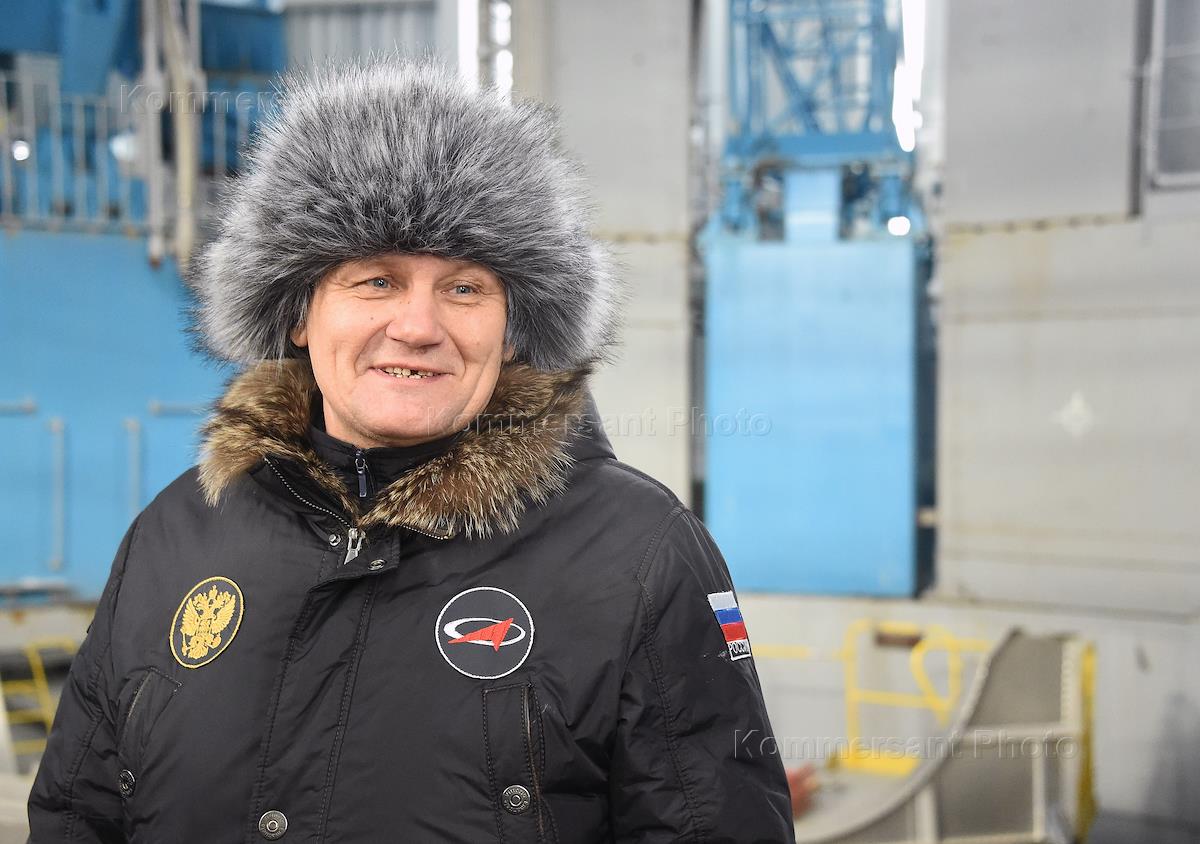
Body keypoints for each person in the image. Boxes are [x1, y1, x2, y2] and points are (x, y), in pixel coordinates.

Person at [27, 54, 795, 842]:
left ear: (513, 329)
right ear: (298, 315)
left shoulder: (638, 556)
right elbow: (76, 816)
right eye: (376, 281)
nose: (419, 327)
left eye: (464, 288)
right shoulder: (176, 536)